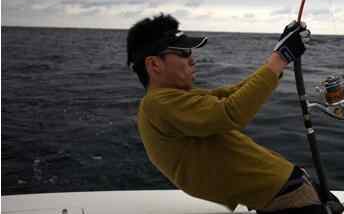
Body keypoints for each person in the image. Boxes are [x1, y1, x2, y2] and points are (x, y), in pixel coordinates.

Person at [126, 13, 327, 213]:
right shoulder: (159, 104)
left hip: (285, 189)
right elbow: (231, 111)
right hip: (286, 199)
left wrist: (277, 61)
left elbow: (229, 95)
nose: (192, 60)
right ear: (154, 64)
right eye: (184, 52)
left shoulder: (174, 100)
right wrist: (280, 58)